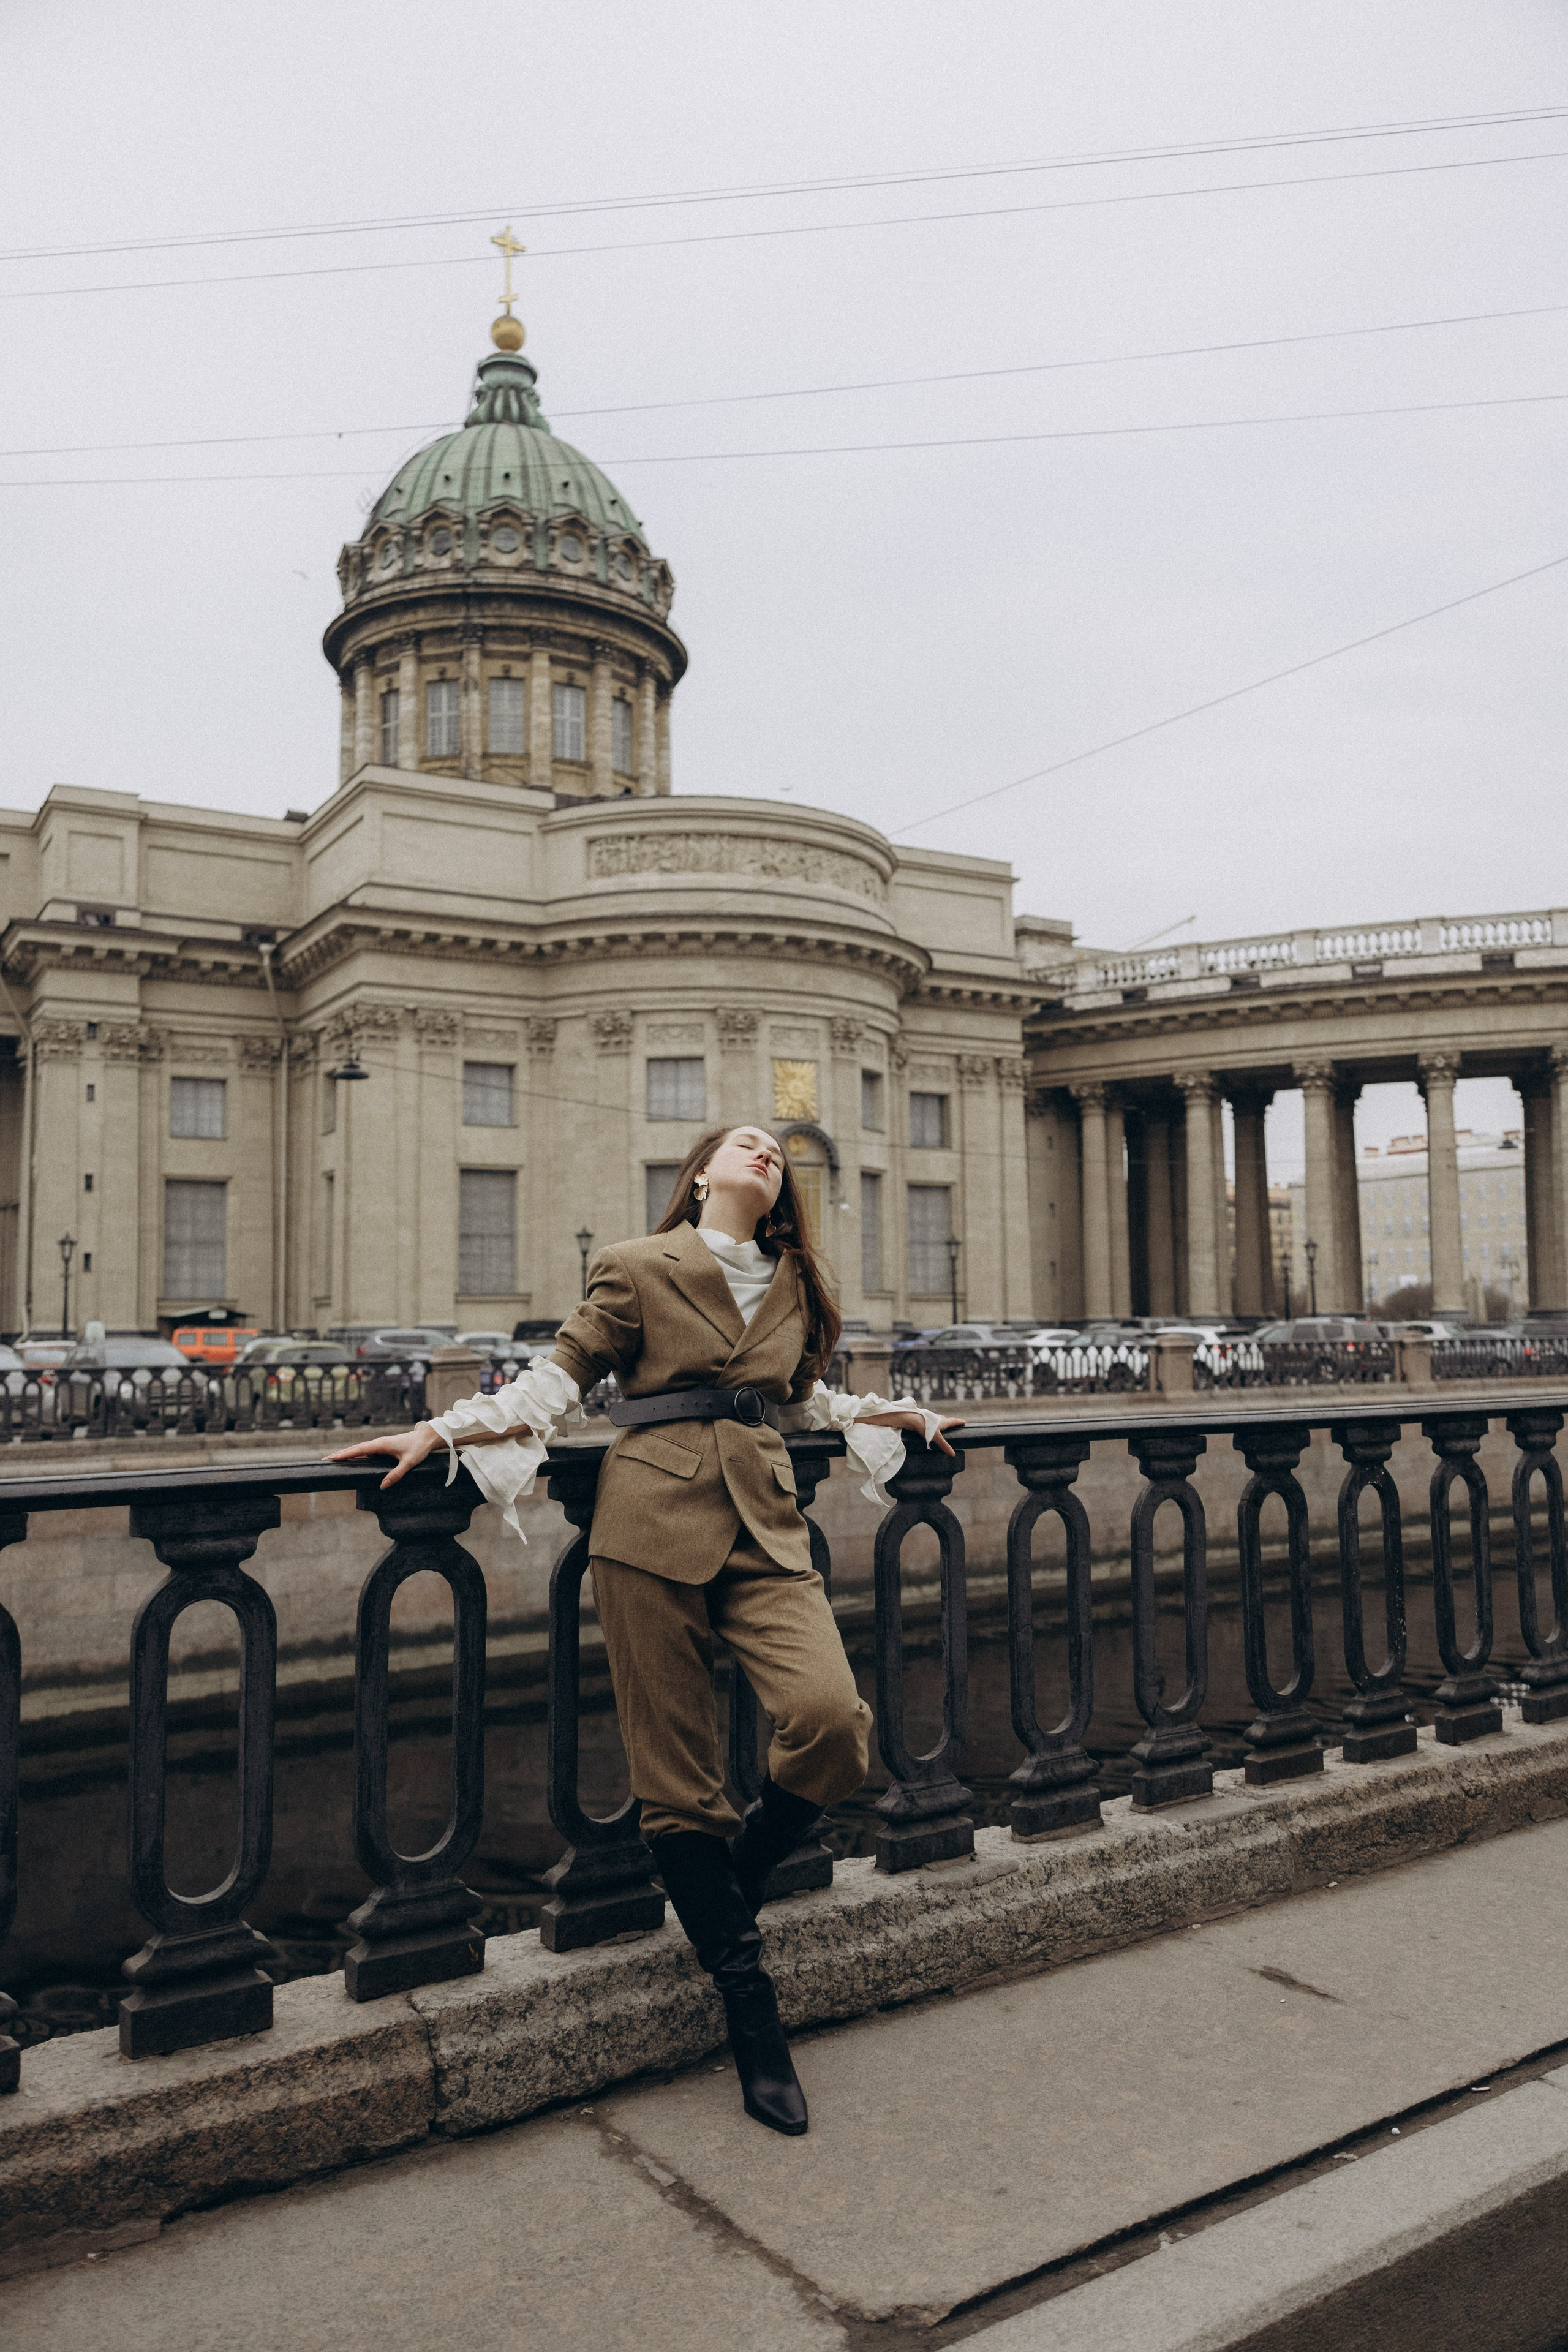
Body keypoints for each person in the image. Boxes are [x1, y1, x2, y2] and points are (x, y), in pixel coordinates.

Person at [331, 1123, 960, 2136]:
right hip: (647, 1522)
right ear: (702, 1173)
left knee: (834, 1722)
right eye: (744, 1143)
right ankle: (750, 2005)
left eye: (776, 1150)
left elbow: (796, 1402)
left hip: (764, 1520)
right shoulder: (635, 1266)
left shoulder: (796, 1281)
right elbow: (559, 1379)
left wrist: (883, 1417)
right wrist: (444, 1430)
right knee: (678, 1779)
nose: (765, 1152)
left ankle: (727, 1893)